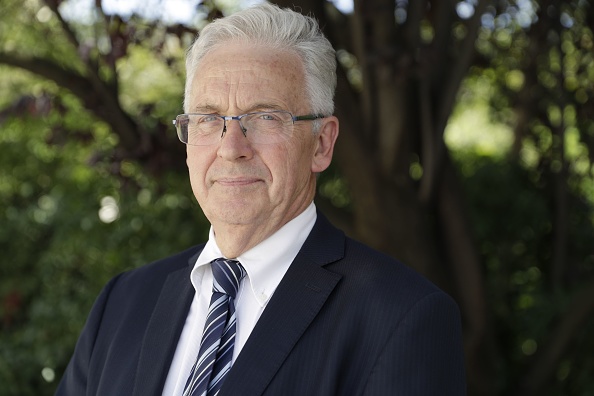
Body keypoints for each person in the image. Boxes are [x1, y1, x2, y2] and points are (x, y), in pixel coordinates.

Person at [56, 3, 466, 395]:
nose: (231, 147)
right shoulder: (124, 302)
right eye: (208, 119)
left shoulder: (403, 317)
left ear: (322, 143)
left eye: (265, 117)